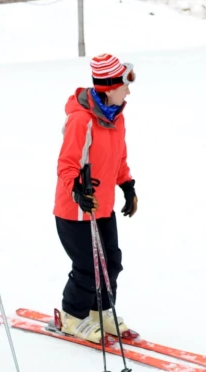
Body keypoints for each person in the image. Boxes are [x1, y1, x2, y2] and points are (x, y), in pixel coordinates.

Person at [53, 53, 139, 343]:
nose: (128, 90)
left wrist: (126, 184)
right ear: (109, 86)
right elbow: (66, 164)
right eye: (125, 84)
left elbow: (119, 157)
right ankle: (71, 316)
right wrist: (78, 190)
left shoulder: (117, 116)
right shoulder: (81, 120)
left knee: (111, 262)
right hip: (75, 211)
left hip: (103, 208)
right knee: (88, 267)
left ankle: (99, 310)